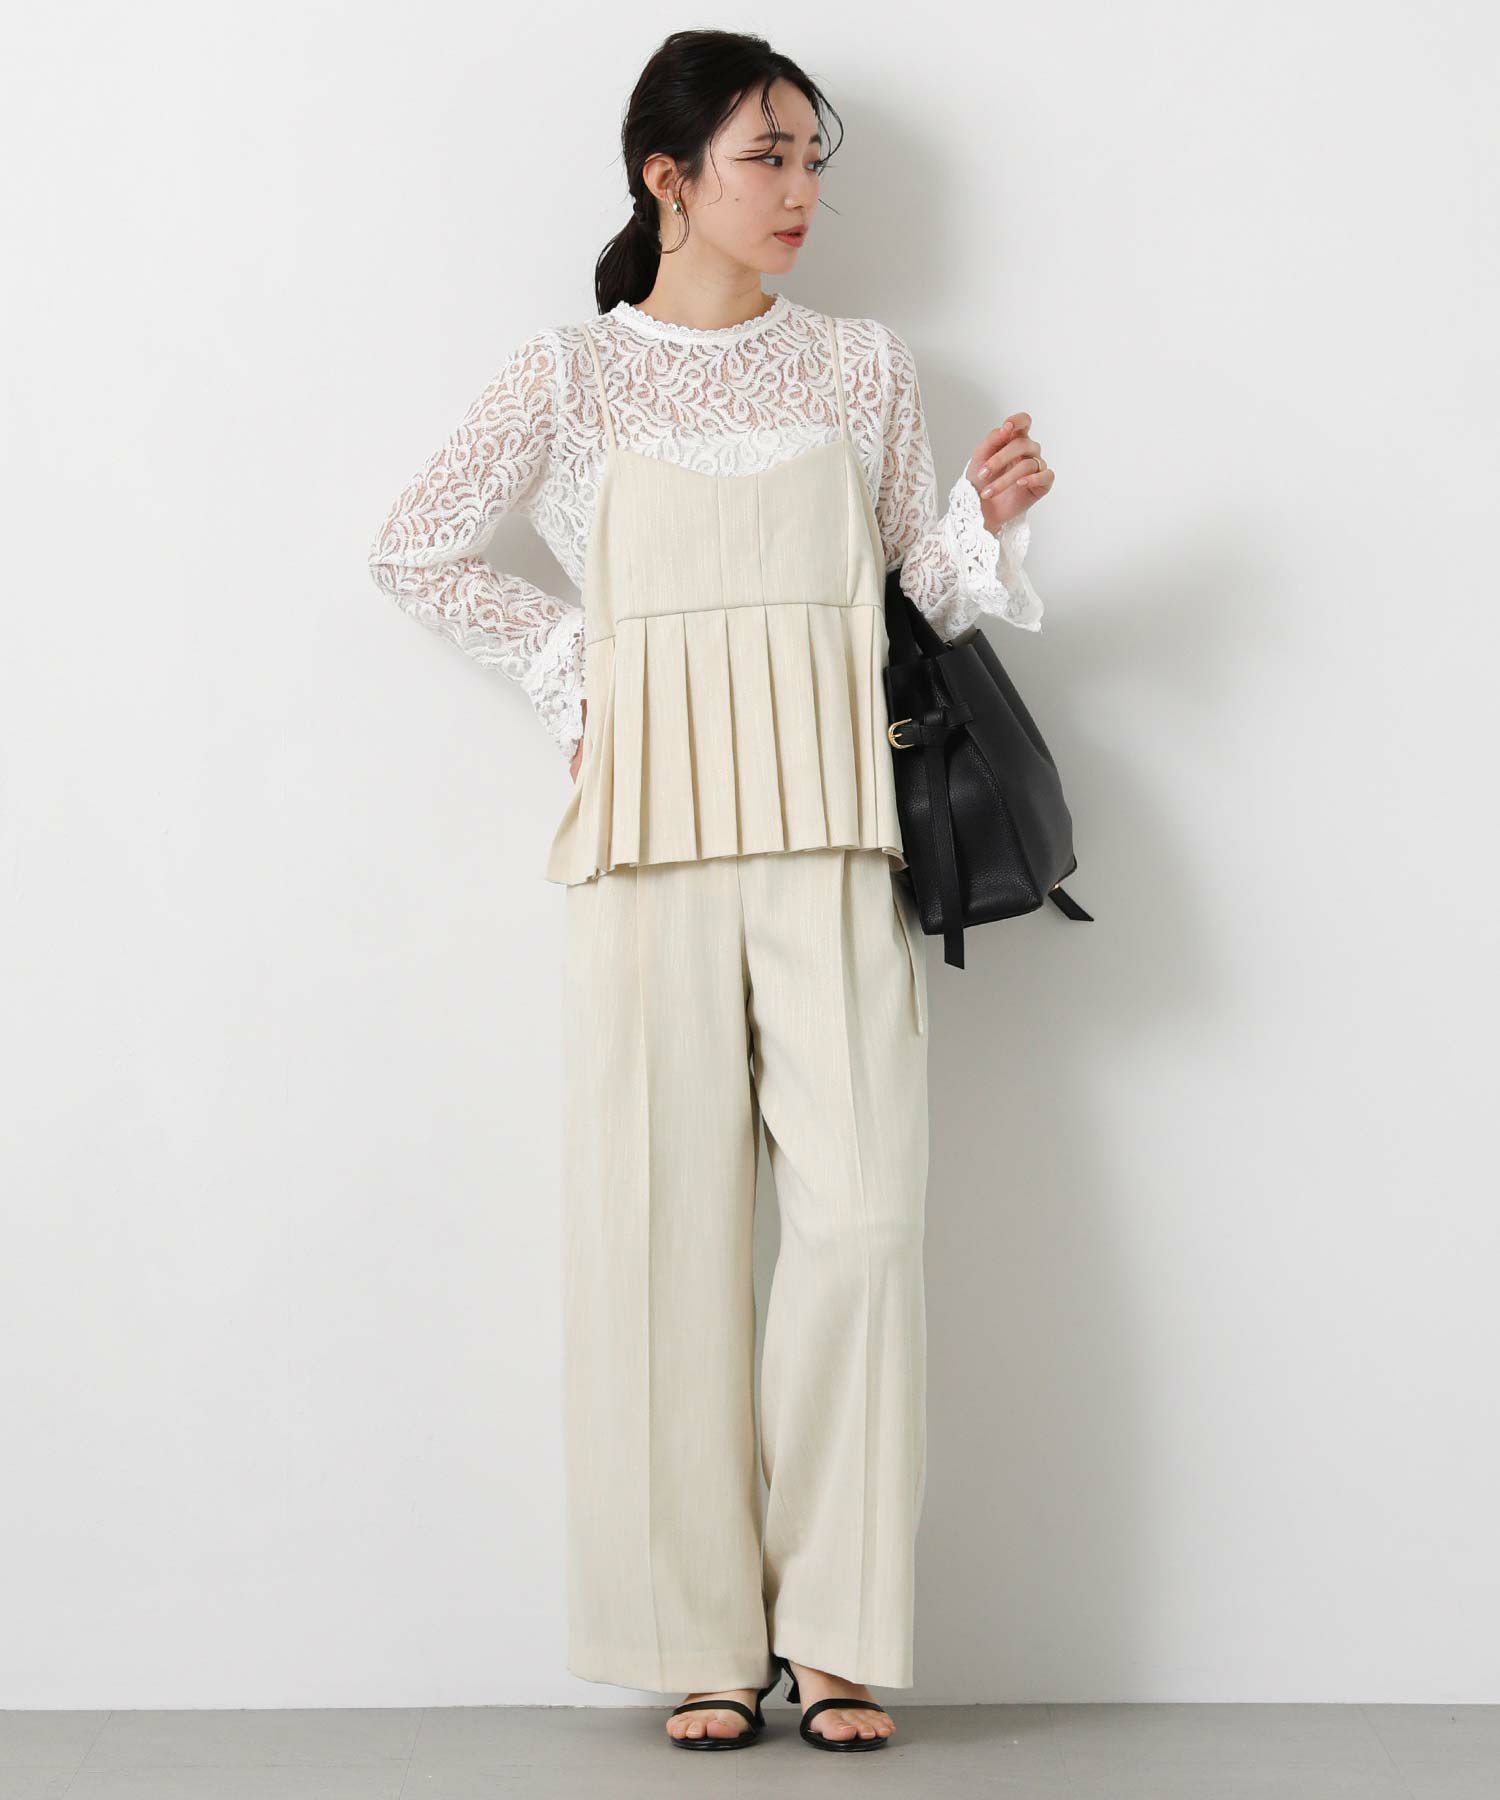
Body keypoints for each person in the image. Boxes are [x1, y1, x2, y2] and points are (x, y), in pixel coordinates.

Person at [367, 28, 1054, 1755]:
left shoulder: (863, 365)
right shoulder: (568, 376)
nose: (801, 189)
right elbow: (414, 546)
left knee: (864, 1224)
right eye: (768, 156)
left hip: (834, 833)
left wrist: (980, 527)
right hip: (650, 847)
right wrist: (588, 674)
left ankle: (837, 1633)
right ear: (666, 178)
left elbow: (905, 600)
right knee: (662, 1236)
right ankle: (700, 1640)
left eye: (814, 157)